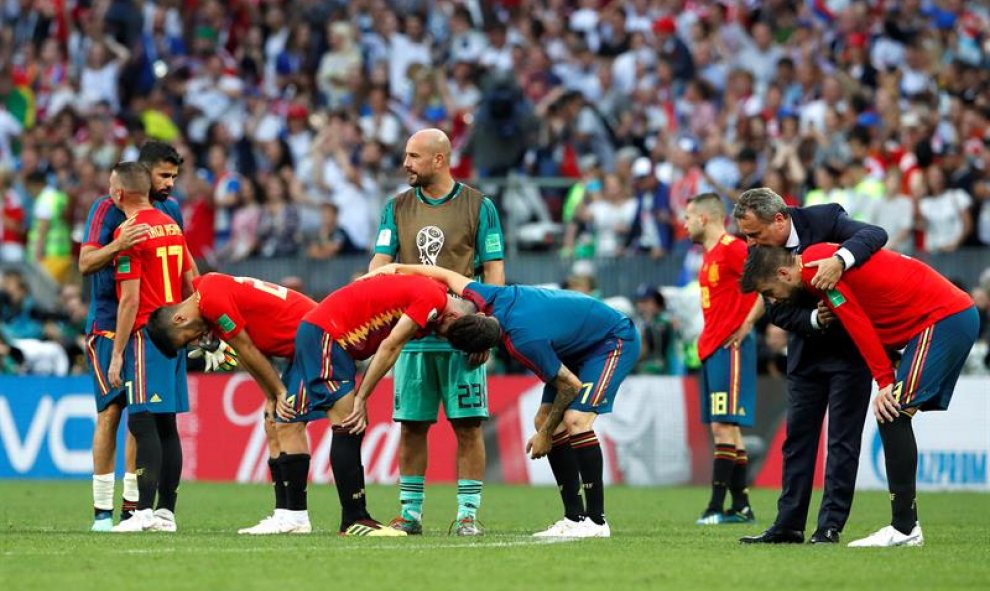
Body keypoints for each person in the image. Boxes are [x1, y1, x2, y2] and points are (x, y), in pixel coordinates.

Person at [365, 263, 641, 539]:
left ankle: (596, 520)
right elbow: (446, 274)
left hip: (611, 339)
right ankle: (574, 517)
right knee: (544, 419)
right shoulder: (488, 297)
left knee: (575, 421)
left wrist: (544, 437)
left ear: (482, 349)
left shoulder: (522, 342)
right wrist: (397, 267)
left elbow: (570, 386)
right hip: (577, 345)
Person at [740, 244, 978, 547]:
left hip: (943, 318)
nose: (772, 301)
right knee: (894, 413)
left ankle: (905, 528)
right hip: (944, 318)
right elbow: (869, 301)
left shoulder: (818, 273)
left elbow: (857, 323)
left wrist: (884, 381)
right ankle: (904, 526)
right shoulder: (818, 257)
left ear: (784, 273)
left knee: (892, 411)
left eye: (770, 291)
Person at [369, 128, 505, 536]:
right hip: (412, 336)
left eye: (413, 156)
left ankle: (467, 514)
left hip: (460, 336)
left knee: (468, 426)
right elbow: (379, 265)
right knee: (411, 425)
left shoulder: (479, 206)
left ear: (439, 160)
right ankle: (410, 514)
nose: (406, 163)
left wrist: (486, 329)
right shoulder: (396, 207)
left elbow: (494, 272)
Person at [733, 188, 888, 544]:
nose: (750, 242)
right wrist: (814, 320)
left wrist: (841, 260)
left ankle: (829, 527)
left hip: (851, 351)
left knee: (842, 443)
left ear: (779, 219)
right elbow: (774, 308)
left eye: (754, 234)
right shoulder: (760, 250)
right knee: (797, 442)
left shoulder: (826, 219)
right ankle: (788, 525)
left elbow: (875, 235)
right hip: (805, 356)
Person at [274, 274, 472, 537]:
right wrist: (362, 397)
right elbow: (390, 346)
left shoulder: (433, 290)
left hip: (324, 332)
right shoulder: (432, 299)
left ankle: (293, 516)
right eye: (446, 332)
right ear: (452, 317)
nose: (439, 334)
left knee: (299, 420)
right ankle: (354, 519)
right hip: (329, 336)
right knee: (349, 423)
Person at [145, 272, 317, 534]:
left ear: (180, 318)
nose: (195, 341)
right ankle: (284, 514)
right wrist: (271, 394)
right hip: (301, 342)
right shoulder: (206, 288)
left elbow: (247, 348)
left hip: (312, 338)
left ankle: (298, 517)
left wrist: (279, 391)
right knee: (272, 421)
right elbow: (243, 352)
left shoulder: (212, 301)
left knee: (287, 420)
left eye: (186, 338)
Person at [78, 141, 187, 532]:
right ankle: (103, 511)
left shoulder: (170, 212)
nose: (170, 184)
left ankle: (134, 508)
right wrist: (117, 245)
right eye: (164, 175)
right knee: (112, 412)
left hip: (152, 329)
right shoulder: (107, 211)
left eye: (174, 176)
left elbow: (181, 268)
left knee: (148, 417)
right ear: (142, 174)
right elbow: (86, 262)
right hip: (111, 322)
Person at [102, 162, 194, 533]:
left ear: (120, 193)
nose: (109, 192)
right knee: (167, 425)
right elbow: (191, 278)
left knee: (142, 422)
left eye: (111, 186)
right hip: (176, 335)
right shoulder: (171, 225)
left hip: (146, 335)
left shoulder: (130, 232)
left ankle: (140, 512)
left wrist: (119, 351)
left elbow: (129, 301)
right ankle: (165, 512)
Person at [683, 193, 761, 525]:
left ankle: (715, 507)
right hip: (713, 346)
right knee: (728, 428)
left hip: (731, 346)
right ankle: (741, 506)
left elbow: (766, 284)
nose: (684, 224)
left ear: (704, 218)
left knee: (723, 426)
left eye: (688, 217)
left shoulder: (733, 249)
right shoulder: (709, 255)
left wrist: (746, 327)